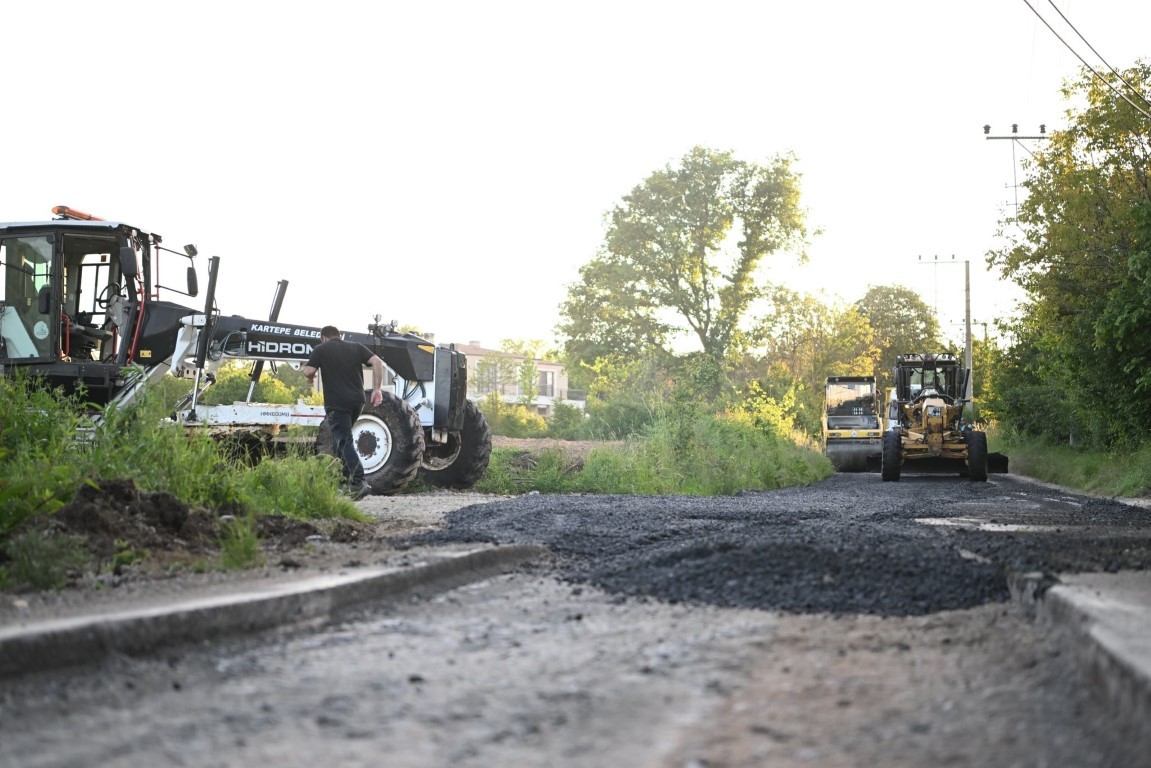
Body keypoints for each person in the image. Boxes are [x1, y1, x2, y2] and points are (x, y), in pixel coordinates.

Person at [302, 325, 385, 500]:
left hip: (337, 403)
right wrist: (377, 389)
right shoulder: (356, 347)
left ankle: (358, 481)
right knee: (339, 442)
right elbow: (377, 362)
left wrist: (308, 374)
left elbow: (309, 370)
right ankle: (347, 483)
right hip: (357, 401)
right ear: (339, 336)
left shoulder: (321, 349)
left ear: (323, 337)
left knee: (343, 440)